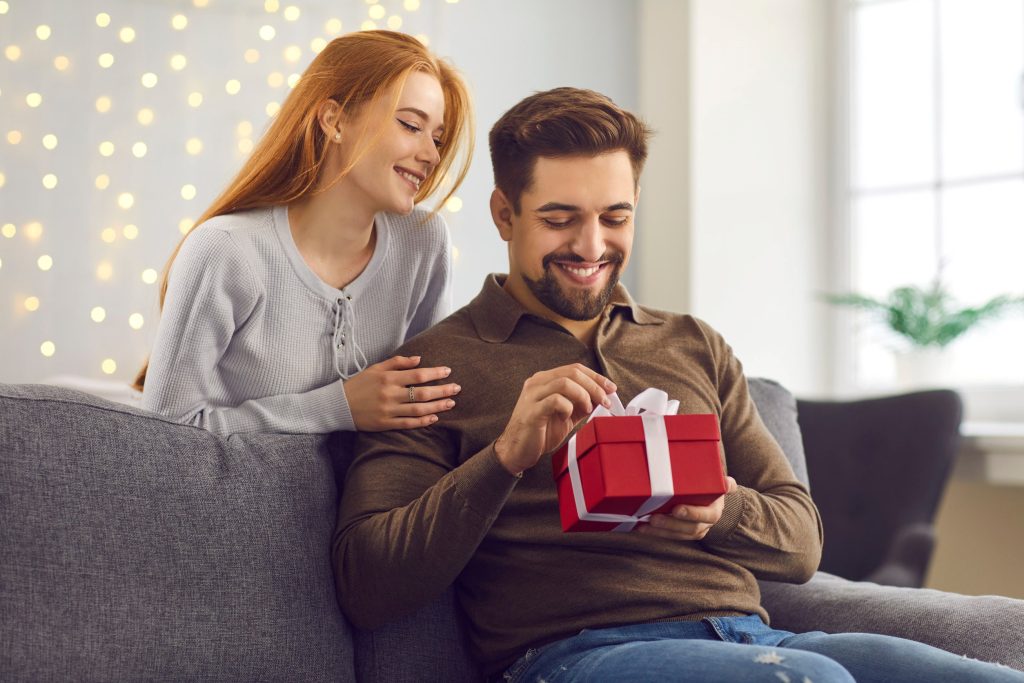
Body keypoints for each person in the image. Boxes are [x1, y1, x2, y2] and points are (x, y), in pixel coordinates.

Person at [333, 88, 1024, 682]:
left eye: (615, 216)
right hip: (576, 655)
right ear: (504, 214)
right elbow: (368, 580)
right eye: (559, 218)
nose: (592, 246)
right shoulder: (436, 365)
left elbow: (801, 538)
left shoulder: (691, 343)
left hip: (759, 641)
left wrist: (715, 508)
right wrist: (506, 457)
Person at [136, 31, 472, 436]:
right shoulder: (225, 251)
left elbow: (426, 410)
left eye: (437, 138)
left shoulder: (423, 242)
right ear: (334, 121)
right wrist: (338, 407)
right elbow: (160, 437)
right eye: (410, 125)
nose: (432, 155)